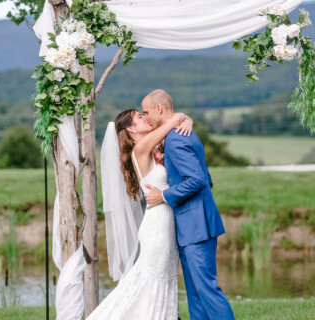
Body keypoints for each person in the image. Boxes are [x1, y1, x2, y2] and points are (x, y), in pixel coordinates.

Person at [86, 108, 193, 320]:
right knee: (151, 283)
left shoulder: (152, 148)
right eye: (139, 116)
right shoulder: (141, 148)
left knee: (161, 282)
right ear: (131, 128)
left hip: (165, 225)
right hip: (157, 229)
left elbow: (175, 122)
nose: (145, 118)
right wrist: (183, 118)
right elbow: (171, 122)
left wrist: (186, 119)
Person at [143, 90, 235, 320]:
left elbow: (198, 180)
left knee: (207, 291)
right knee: (195, 295)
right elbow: (206, 178)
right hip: (192, 225)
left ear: (159, 109)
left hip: (196, 227)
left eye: (146, 112)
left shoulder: (175, 138)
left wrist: (164, 196)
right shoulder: (182, 132)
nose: (146, 118)